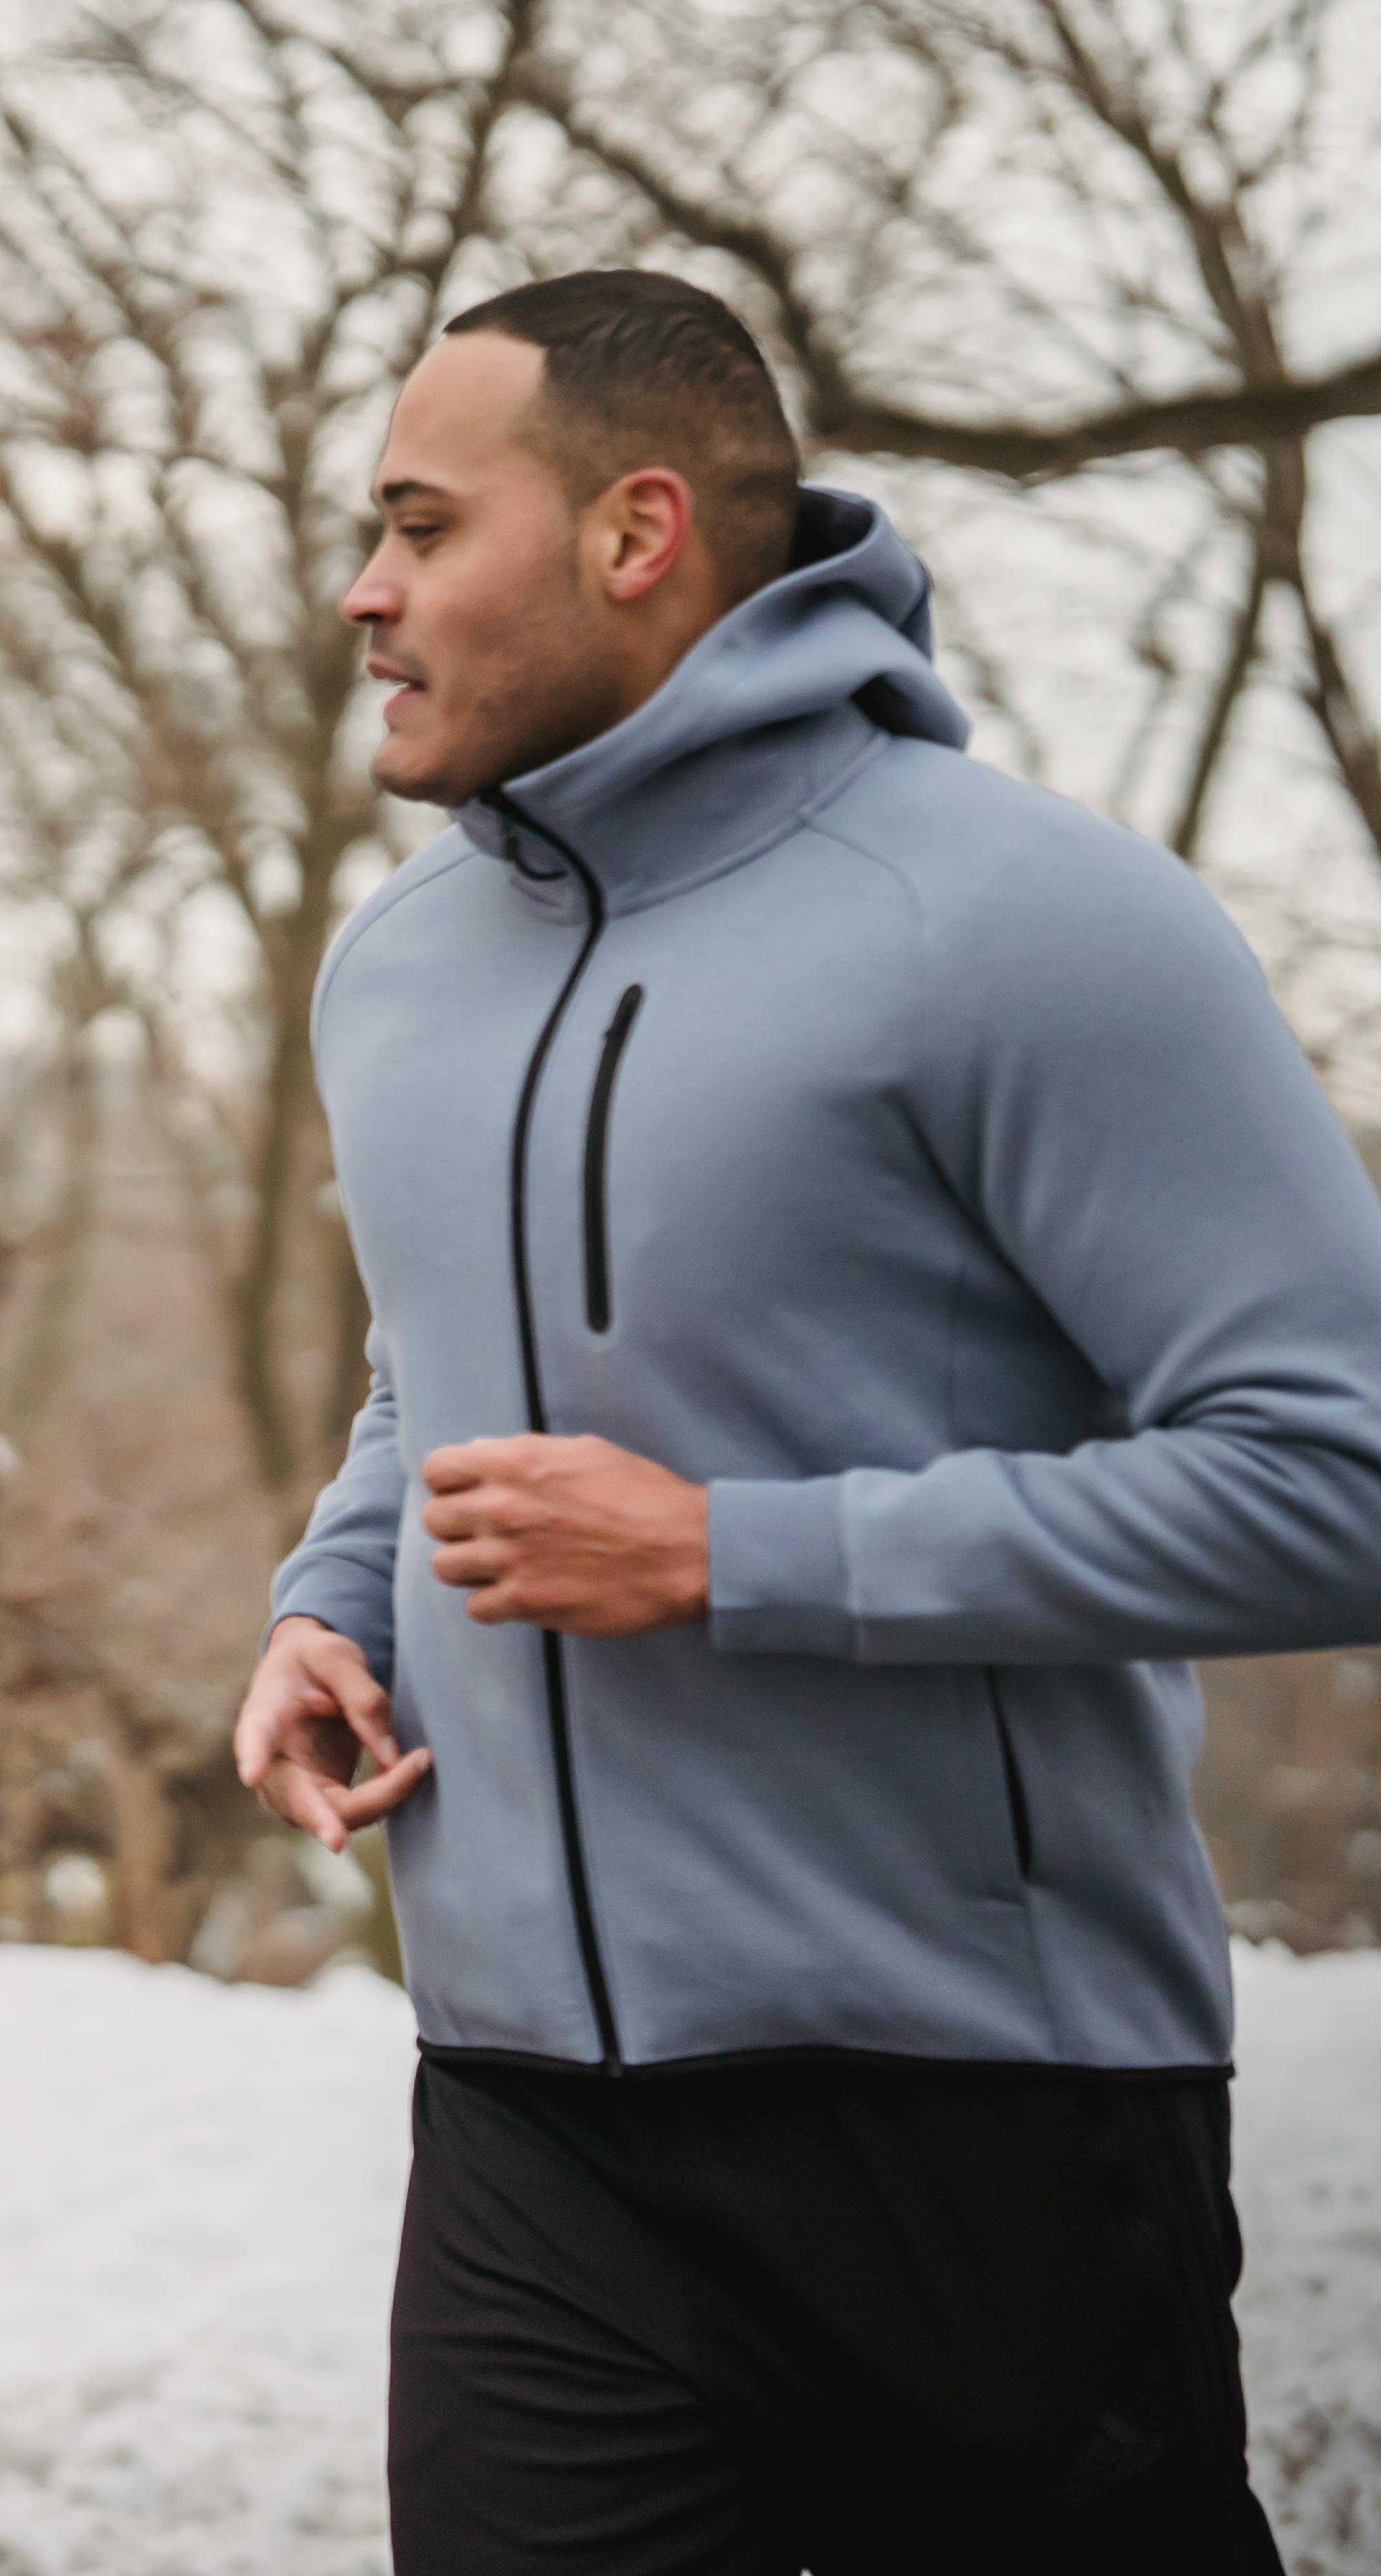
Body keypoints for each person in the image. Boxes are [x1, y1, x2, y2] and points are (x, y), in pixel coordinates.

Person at [234, 268, 1366, 2572]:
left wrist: (741, 1556)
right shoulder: (403, 963)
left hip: (983, 2110)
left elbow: (1336, 1477)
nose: (367, 590)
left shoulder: (1025, 922)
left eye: (426, 526)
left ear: (637, 533)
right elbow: (423, 1364)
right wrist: (333, 1601)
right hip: (530, 2124)